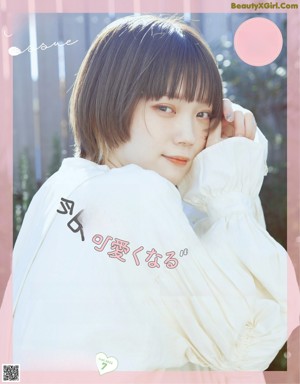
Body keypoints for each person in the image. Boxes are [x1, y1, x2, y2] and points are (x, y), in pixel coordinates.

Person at [11, 14, 299, 378]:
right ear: (111, 97)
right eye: (165, 108)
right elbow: (244, 340)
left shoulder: (63, 189)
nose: (189, 135)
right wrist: (229, 189)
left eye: (203, 114)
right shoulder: (134, 196)